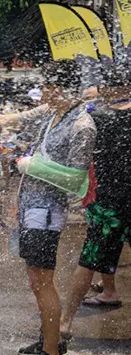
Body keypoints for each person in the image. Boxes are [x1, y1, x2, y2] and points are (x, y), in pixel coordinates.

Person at [0, 60, 96, 355]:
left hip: (46, 214)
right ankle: (49, 340)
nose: (43, 92)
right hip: (31, 209)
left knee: (42, 281)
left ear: (62, 88)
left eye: (47, 86)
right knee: (37, 280)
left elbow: (76, 180)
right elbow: (9, 119)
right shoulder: (51, 113)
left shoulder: (82, 125)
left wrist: (33, 167)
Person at [60, 69, 131, 337]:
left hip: (108, 204)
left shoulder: (96, 117)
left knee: (88, 262)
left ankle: (65, 322)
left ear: (106, 89)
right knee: (90, 262)